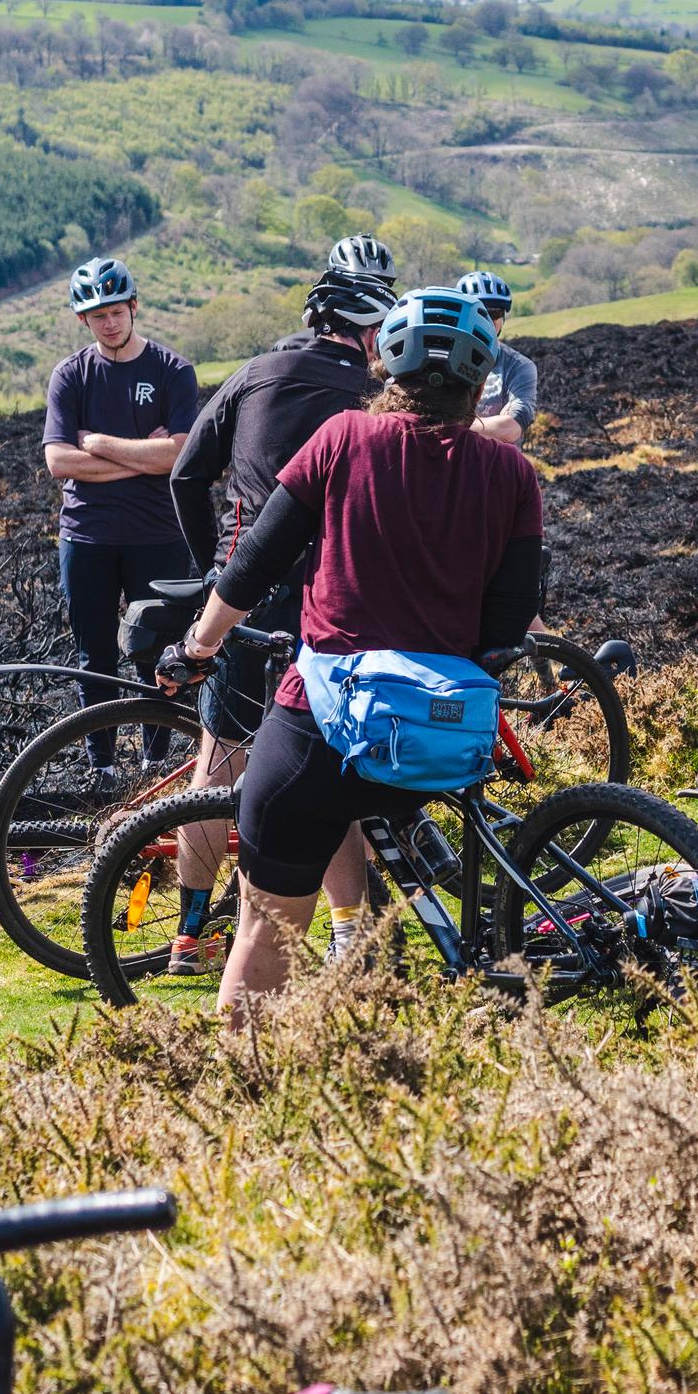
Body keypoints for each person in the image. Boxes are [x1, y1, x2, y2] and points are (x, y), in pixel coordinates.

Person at [158, 287, 542, 1017]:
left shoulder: (343, 438)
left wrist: (197, 645)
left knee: (265, 925)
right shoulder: (513, 475)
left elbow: (253, 564)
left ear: (388, 368)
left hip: (323, 725)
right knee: (380, 865)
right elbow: (508, 625)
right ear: (478, 379)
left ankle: (241, 1098)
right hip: (434, 738)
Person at [163, 262, 396, 971]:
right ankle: (349, 937)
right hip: (329, 593)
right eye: (380, 330)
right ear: (363, 332)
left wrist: (218, 569)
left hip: (243, 592)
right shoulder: (370, 394)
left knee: (218, 768)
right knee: (329, 768)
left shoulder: (255, 371)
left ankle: (192, 934)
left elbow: (184, 474)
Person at [43, 256, 199, 777]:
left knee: (156, 650)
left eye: (115, 311)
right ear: (82, 320)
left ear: (134, 306)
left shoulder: (173, 371)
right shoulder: (70, 375)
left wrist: (101, 446)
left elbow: (178, 455)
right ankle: (102, 766)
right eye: (96, 315)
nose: (108, 323)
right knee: (95, 656)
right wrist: (140, 458)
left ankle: (156, 759)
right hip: (86, 537)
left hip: (157, 534)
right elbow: (58, 461)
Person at [457, 271, 538, 445]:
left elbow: (510, 429)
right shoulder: (440, 359)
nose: (489, 320)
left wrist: (448, 427)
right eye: (481, 312)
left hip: (498, 469)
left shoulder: (519, 366)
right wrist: (492, 424)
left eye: (495, 313)